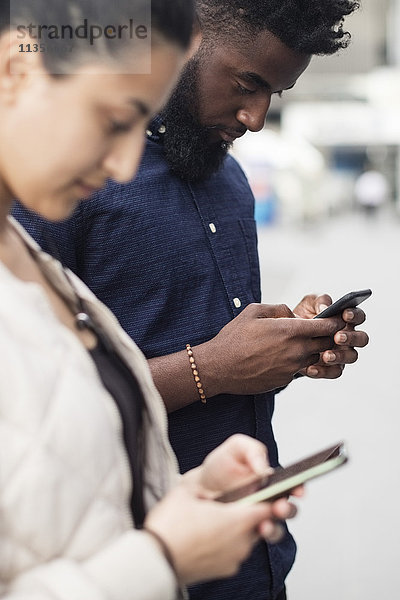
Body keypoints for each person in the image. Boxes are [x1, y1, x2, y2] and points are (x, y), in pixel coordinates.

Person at [13, 1, 369, 599]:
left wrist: (283, 348)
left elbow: (218, 346)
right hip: (129, 568)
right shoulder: (65, 175)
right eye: (248, 83)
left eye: (274, 95)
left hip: (256, 560)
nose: (256, 118)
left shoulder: (229, 180)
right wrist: (215, 369)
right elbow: (35, 401)